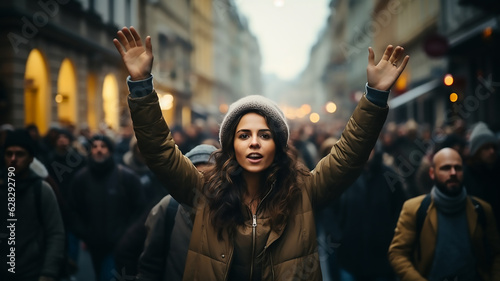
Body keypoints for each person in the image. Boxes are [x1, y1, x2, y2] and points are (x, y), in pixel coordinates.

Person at [114, 26, 409, 280]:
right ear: (232, 146)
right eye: (244, 135)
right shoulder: (203, 193)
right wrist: (141, 87)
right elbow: (160, 152)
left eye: (264, 135)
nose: (254, 142)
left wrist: (375, 97)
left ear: (277, 146)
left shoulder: (303, 192)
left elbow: (349, 155)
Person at [388, 148, 500, 280]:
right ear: (432, 173)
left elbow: (496, 253)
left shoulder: (481, 209)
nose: (453, 173)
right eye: (446, 168)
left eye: (457, 168)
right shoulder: (414, 209)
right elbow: (398, 253)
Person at [68, 134, 145, 281]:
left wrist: (127, 234)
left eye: (103, 146)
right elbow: (72, 210)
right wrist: (85, 233)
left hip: (118, 245)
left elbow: (140, 210)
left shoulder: (126, 177)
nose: (99, 150)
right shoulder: (81, 179)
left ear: (109, 151)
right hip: (93, 245)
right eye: (95, 146)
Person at [134, 144, 217, 281]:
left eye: (209, 176)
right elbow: (150, 265)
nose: (202, 183)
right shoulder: (168, 207)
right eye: (195, 175)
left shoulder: (231, 208)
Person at [0, 129, 65, 281]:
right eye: (9, 154)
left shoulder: (41, 190)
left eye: (20, 154)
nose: (13, 159)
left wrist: (48, 272)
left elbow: (55, 233)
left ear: (30, 159)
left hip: (32, 272)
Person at [464, 122, 500, 231]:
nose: (492, 151)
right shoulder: (467, 174)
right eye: (486, 147)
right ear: (477, 151)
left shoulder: (496, 170)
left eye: (494, 147)